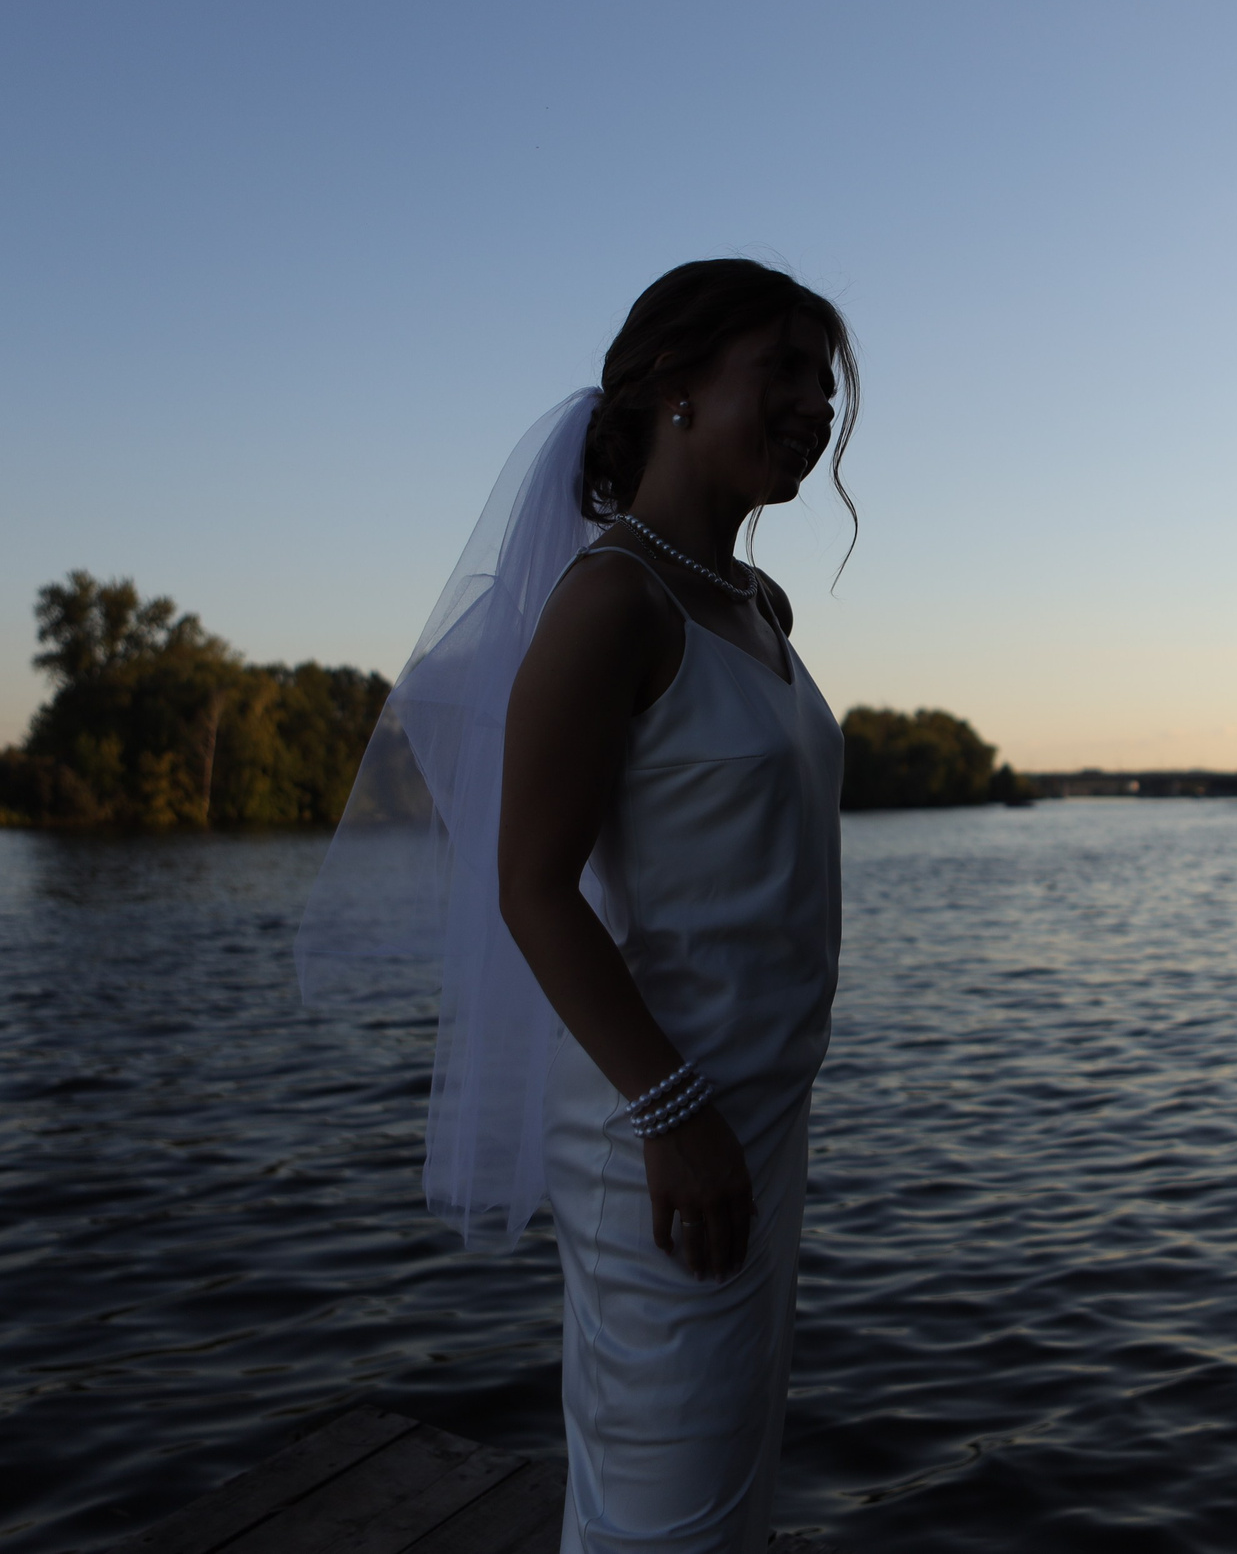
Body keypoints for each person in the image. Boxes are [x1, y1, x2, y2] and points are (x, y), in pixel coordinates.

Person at [303, 259, 856, 1554]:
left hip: (764, 1114)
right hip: (662, 1126)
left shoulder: (756, 604)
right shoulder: (613, 599)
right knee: (666, 1511)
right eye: (780, 370)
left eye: (823, 384)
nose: (814, 407)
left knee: (725, 1491)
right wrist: (672, 1111)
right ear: (675, 385)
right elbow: (529, 886)